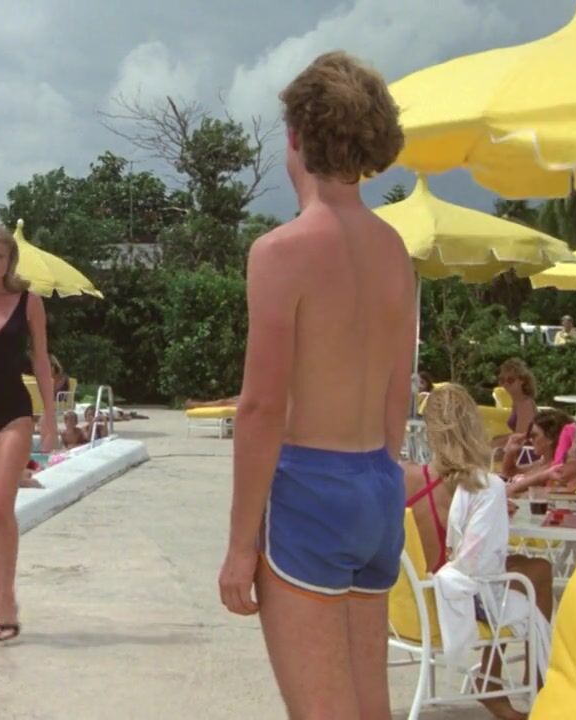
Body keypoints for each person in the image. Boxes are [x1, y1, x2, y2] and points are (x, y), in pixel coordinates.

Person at [218, 51, 414, 719]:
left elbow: (261, 407)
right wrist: (376, 480)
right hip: (378, 483)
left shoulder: (281, 252)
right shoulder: (394, 250)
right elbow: (397, 391)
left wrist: (239, 546)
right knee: (368, 705)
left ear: (297, 136)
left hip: (309, 484)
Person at [402, 384, 553, 720]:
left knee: (530, 568)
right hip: (452, 598)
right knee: (535, 573)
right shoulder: (483, 486)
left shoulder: (403, 477)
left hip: (409, 599)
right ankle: (526, 679)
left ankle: (499, 675)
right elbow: (480, 566)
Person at [0, 222, 58, 642]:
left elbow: (41, 361)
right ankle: (0, 601)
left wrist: (50, 417)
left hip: (14, 413)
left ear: (10, 259)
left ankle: (6, 600)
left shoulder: (28, 302)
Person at [502, 409, 576, 496]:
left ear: (550, 438)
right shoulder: (543, 463)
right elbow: (509, 473)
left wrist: (543, 475)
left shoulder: (560, 468)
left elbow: (509, 491)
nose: (530, 440)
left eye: (534, 435)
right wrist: (510, 453)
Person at [495, 358, 538, 448]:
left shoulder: (525, 404)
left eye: (510, 380)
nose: (505, 384)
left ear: (522, 380)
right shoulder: (517, 401)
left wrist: (494, 443)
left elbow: (521, 437)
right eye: (502, 380)